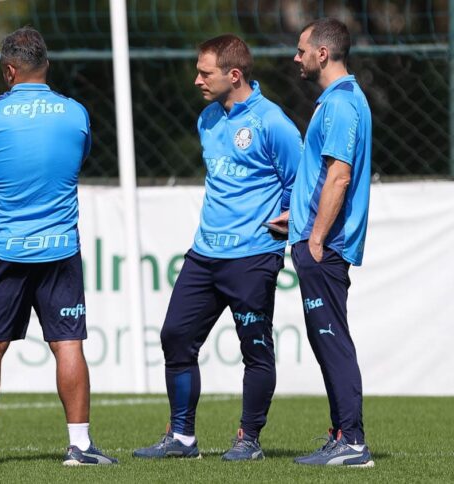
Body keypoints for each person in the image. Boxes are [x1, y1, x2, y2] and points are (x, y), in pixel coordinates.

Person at [133, 34, 301, 461]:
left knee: (255, 348)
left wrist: (284, 220)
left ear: (234, 74)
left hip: (253, 255)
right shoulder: (207, 118)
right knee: (175, 336)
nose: (197, 80)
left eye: (205, 73)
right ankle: (182, 437)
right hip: (205, 253)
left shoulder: (273, 122)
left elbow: (300, 182)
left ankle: (249, 439)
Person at [0, 27, 116, 467]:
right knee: (68, 344)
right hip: (59, 247)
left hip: (3, 248)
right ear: (46, 65)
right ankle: (80, 445)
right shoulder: (75, 113)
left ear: (9, 70)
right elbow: (77, 161)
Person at [268, 18, 374, 467]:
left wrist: (315, 237)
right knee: (324, 338)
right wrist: (297, 217)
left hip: (324, 246)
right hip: (316, 237)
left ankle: (352, 443)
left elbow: (339, 176)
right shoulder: (335, 100)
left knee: (331, 339)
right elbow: (323, 175)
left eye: (301, 50)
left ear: (322, 54)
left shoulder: (343, 103)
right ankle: (341, 435)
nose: (296, 57)